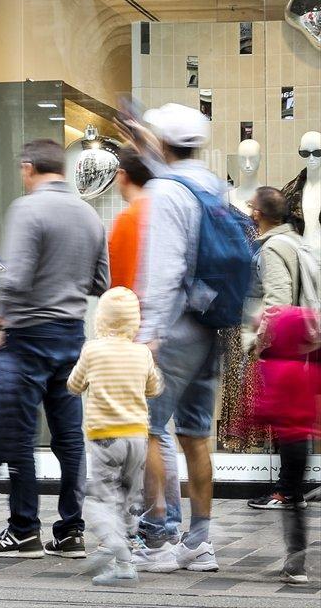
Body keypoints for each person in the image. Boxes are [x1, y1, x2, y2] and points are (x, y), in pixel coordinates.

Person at [0, 138, 108, 559]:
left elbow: (14, 277)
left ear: (28, 167)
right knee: (69, 438)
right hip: (70, 334)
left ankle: (24, 530)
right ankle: (71, 532)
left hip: (28, 335)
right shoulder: (89, 214)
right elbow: (101, 282)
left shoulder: (27, 209)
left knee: (20, 435)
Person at [130, 104, 228, 574]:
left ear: (165, 142)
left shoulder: (165, 191)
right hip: (209, 323)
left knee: (148, 428)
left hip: (173, 327)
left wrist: (148, 332)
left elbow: (165, 268)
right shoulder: (211, 184)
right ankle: (200, 541)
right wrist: (144, 144)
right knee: (195, 434)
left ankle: (157, 540)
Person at [68, 287, 163, 587]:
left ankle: (115, 547)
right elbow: (154, 388)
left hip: (105, 437)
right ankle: (126, 558)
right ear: (135, 321)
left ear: (100, 318)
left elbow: (74, 384)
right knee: (131, 497)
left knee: (99, 499)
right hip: (137, 436)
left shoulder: (92, 350)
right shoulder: (142, 352)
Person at [245, 187, 313, 512]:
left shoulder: (273, 248)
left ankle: (287, 492)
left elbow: (277, 301)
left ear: (258, 213)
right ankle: (291, 490)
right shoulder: (295, 241)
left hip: (286, 344)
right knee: (294, 420)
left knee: (289, 422)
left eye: (252, 206)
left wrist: (262, 342)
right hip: (302, 340)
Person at [245, 306, 320, 585]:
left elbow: (265, 408)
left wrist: (248, 424)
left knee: (291, 501)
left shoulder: (276, 368)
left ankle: (295, 563)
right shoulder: (306, 369)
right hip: (303, 443)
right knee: (296, 501)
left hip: (289, 445)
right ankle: (296, 560)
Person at [108, 146, 153, 291]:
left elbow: (119, 283)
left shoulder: (127, 219)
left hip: (132, 302)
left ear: (122, 175)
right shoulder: (162, 211)